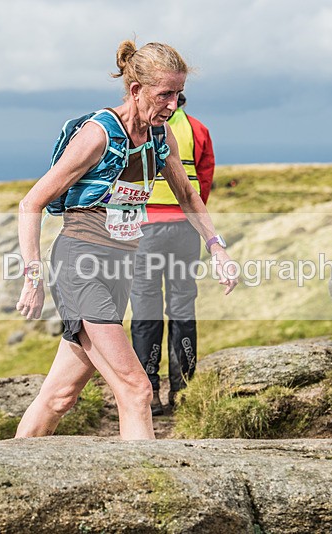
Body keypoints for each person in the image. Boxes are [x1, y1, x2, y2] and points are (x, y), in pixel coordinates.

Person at [14, 41, 237, 440]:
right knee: (136, 388)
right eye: (164, 94)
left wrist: (216, 247)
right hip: (81, 266)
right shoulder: (97, 135)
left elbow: (188, 196)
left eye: (178, 94)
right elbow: (31, 203)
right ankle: (152, 493)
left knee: (59, 396)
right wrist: (32, 278)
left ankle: (8, 468)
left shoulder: (159, 136)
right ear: (136, 90)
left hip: (120, 269)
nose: (173, 104)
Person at [129, 93, 215, 415]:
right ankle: (183, 390)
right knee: (182, 305)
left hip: (145, 229)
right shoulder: (198, 129)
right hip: (185, 228)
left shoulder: (140, 128)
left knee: (145, 307)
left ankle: (148, 391)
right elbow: (201, 184)